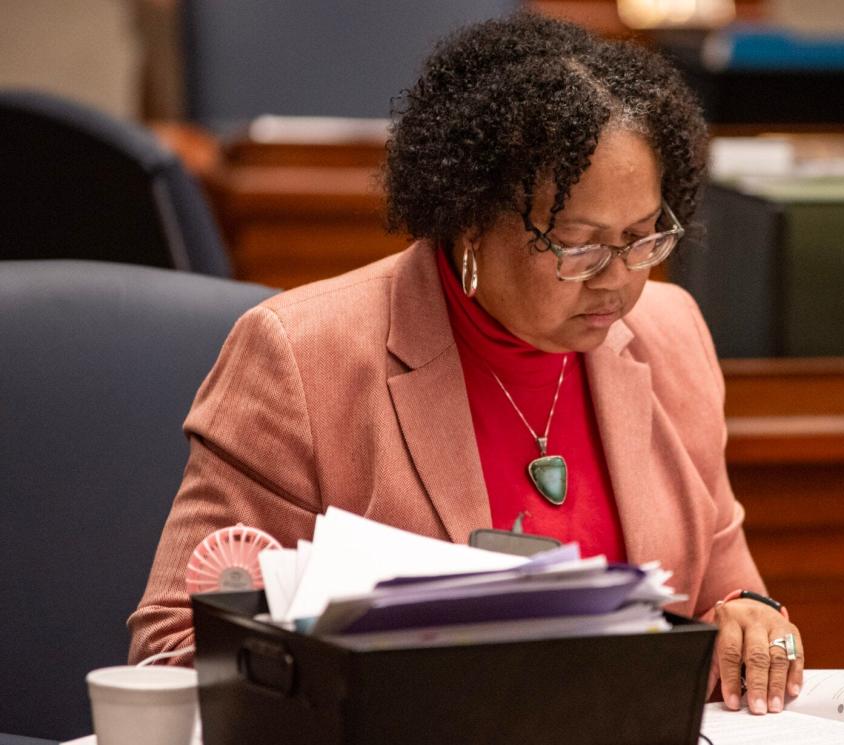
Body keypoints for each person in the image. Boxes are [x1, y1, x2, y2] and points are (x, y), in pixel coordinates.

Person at [129, 12, 802, 715]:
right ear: (470, 217)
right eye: (577, 243)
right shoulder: (299, 356)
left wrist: (756, 625)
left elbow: (728, 589)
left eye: (642, 238)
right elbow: (175, 651)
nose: (618, 280)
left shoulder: (670, 336)